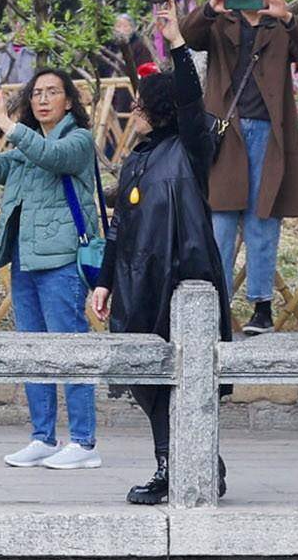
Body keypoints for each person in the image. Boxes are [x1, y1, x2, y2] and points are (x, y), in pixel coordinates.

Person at [87, 54, 224, 505]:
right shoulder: (136, 160)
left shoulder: (191, 146)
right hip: (137, 280)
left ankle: (180, 466)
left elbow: (189, 97)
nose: (133, 113)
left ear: (161, 109)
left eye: (142, 105)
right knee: (148, 378)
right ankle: (189, 463)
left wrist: (180, 46)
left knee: (186, 376)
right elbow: (119, 226)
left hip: (185, 279)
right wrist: (104, 281)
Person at [0, 66, 105, 469]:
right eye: (36, 93)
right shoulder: (25, 148)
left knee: (69, 350)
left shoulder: (78, 141)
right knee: (32, 351)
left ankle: (84, 442)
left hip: (62, 259)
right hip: (25, 257)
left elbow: (53, 157)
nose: (43, 100)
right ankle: (42, 437)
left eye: (52, 92)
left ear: (68, 101)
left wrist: (5, 123)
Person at [187, 0, 298, 331]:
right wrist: (210, 10)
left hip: (268, 130)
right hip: (226, 131)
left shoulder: (279, 26)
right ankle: (216, 305)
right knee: (221, 220)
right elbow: (189, 36)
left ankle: (261, 305)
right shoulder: (220, 24)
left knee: (263, 217)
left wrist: (286, 15)